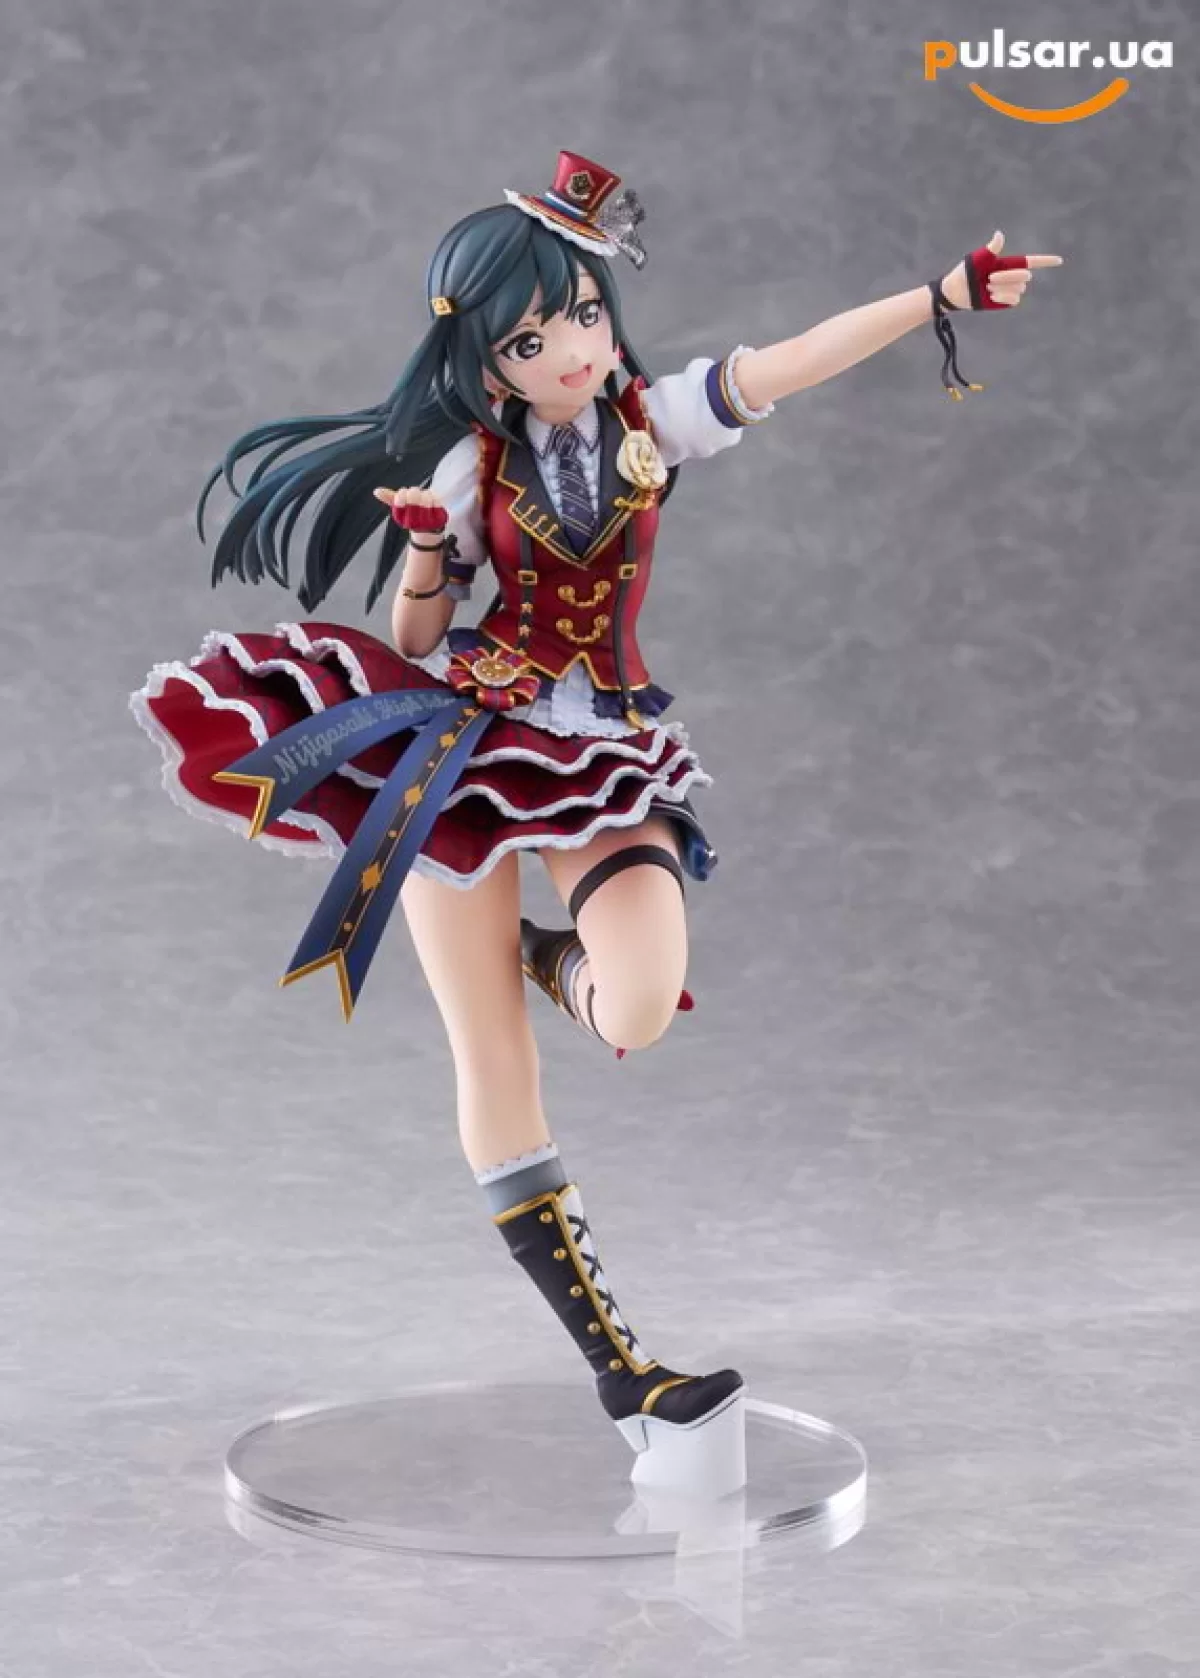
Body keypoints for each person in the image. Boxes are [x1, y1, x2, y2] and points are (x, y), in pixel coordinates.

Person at [129, 150, 1062, 1489]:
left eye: (581, 313)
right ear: (487, 362)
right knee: (492, 1058)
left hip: (604, 748)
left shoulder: (650, 425)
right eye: (530, 338)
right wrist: (430, 548)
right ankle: (628, 1375)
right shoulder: (470, 464)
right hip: (464, 749)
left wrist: (938, 296)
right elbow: (416, 633)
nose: (570, 348)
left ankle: (534, 950)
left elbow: (793, 360)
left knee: (636, 1004)